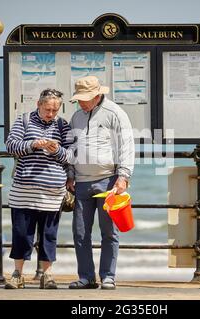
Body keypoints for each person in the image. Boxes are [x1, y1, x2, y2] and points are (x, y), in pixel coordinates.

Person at [66, 76, 135, 290]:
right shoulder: (76, 116)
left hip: (109, 181)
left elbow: (126, 145)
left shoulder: (115, 113)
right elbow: (71, 147)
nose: (81, 103)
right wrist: (70, 174)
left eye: (84, 99)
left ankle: (108, 276)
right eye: (79, 99)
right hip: (81, 183)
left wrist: (123, 176)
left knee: (109, 232)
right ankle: (86, 277)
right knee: (80, 232)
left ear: (97, 96)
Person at [4, 88, 72, 289]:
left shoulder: (62, 126)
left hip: (52, 193)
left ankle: (47, 275)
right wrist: (33, 144)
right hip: (24, 191)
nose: (50, 114)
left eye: (54, 110)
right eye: (47, 109)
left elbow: (71, 156)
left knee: (49, 235)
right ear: (38, 105)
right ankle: (17, 274)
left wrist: (56, 150)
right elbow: (11, 145)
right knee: (22, 234)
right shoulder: (23, 121)